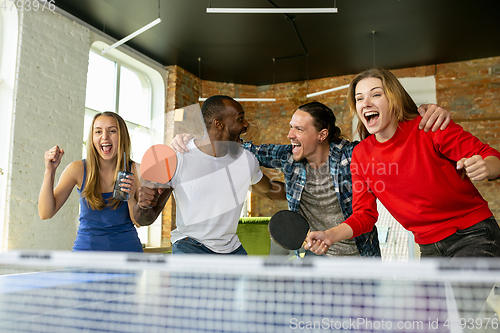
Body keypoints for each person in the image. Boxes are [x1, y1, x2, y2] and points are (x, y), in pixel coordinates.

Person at [173, 100, 451, 257]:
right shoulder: (288, 157)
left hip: (359, 256)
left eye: (298, 129)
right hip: (315, 258)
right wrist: (192, 140)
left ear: (322, 134)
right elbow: (234, 145)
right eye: (290, 128)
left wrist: (423, 114)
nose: (290, 135)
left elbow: (390, 143)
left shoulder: (354, 155)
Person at [305, 67, 500, 258]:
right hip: (428, 246)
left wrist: (486, 166)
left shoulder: (429, 126)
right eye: (359, 98)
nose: (366, 103)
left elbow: (490, 156)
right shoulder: (361, 155)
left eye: (376, 95)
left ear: (393, 99)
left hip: (474, 233)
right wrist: (329, 235)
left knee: (465, 291)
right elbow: (364, 215)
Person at [133, 95, 286, 255]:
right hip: (190, 246)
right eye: (240, 119)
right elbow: (145, 218)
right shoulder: (180, 156)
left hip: (232, 249)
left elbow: (268, 190)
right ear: (218, 124)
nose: (246, 124)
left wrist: (307, 193)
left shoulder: (247, 160)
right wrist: (143, 205)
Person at [39, 111, 143, 252]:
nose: (104, 136)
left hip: (127, 255)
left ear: (122, 136)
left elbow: (139, 223)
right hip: (86, 255)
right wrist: (49, 171)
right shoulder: (77, 169)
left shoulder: (136, 171)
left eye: (112, 131)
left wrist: (131, 199)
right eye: (98, 131)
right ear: (92, 137)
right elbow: (45, 213)